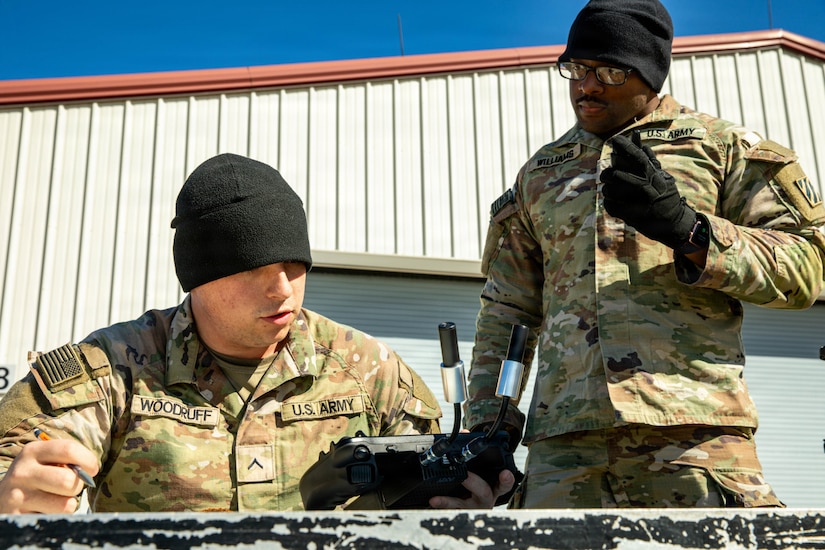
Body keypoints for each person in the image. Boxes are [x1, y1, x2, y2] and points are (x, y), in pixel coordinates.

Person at [0, 153, 513, 513]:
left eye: (295, 265)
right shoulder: (113, 368)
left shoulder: (368, 370)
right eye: (252, 270)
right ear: (197, 276)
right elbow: (20, 457)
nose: (282, 291)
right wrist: (11, 494)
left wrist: (462, 500)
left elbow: (430, 486)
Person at [465, 0, 825, 509]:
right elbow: (508, 309)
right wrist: (488, 426)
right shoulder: (540, 174)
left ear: (650, 74)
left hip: (695, 439)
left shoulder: (723, 149)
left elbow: (808, 267)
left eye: (610, 71)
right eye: (577, 69)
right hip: (565, 448)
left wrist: (691, 232)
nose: (587, 87)